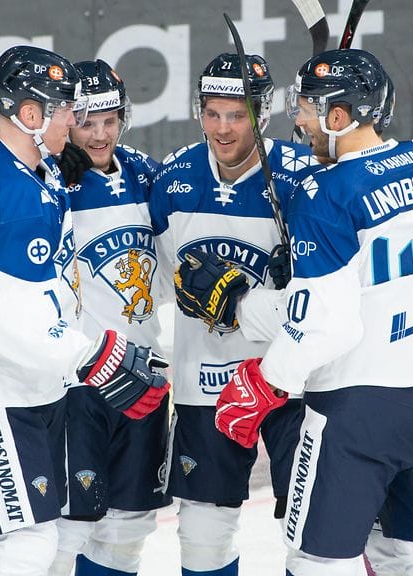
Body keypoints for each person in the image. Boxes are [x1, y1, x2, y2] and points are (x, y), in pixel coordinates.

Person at [211, 49, 413, 576]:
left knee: (318, 561)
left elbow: (325, 324)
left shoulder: (323, 194)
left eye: (307, 109)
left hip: (360, 408)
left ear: (340, 117)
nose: (299, 121)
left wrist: (267, 380)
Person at [0, 45, 170, 576]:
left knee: (40, 534)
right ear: (31, 116)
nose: (77, 122)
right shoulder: (19, 196)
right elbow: (13, 319)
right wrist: (94, 356)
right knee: (26, 541)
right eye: (67, 110)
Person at [148, 52, 322, 575]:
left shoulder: (302, 179)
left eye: (238, 115)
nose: (223, 129)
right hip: (206, 382)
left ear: (262, 114)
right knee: (201, 532)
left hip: (291, 381)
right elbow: (151, 282)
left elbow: (333, 293)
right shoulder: (174, 180)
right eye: (213, 113)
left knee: (314, 529)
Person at [46, 58, 173, 576]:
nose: (99, 136)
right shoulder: (47, 180)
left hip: (143, 369)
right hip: (80, 376)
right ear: (66, 119)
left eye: (110, 121)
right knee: (71, 523)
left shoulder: (146, 174)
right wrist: (46, 170)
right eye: (86, 122)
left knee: (131, 521)